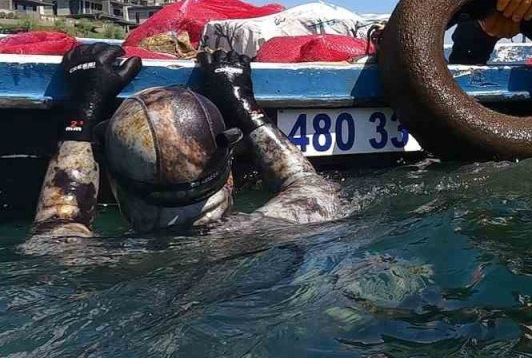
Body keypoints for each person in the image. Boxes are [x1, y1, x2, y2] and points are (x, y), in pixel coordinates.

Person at [28, 43, 343, 241]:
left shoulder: (93, 264)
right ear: (228, 170)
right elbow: (308, 184)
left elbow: (55, 227)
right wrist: (243, 104)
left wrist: (82, 115)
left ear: (114, 182)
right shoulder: (277, 228)